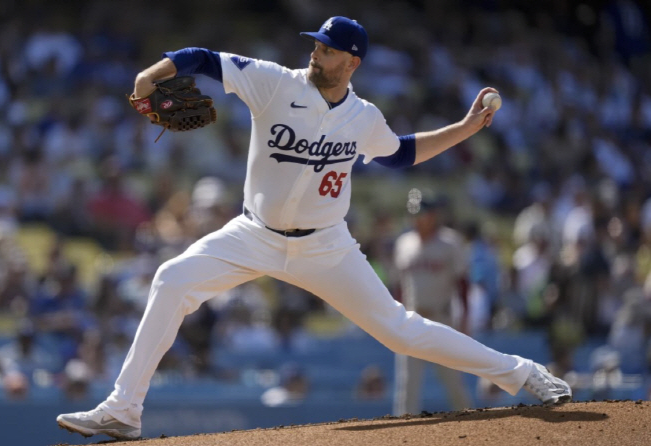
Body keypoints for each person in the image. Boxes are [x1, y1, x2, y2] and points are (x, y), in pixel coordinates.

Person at [57, 16, 571, 440]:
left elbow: (401, 155)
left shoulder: (363, 117)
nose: (316, 53)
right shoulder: (274, 81)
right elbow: (202, 57)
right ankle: (124, 410)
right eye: (316, 45)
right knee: (171, 279)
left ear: (352, 62)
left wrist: (463, 129)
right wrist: (152, 75)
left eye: (327, 50)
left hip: (326, 246)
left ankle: (523, 373)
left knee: (400, 331)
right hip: (252, 234)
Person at [392, 194, 473, 415]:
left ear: (434, 215)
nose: (419, 219)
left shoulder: (450, 242)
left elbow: (463, 282)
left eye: (423, 214)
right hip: (411, 320)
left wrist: (465, 314)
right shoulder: (404, 243)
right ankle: (403, 434)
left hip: (441, 318)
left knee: (453, 380)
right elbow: (398, 286)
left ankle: (472, 426)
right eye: (415, 215)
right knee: (407, 385)